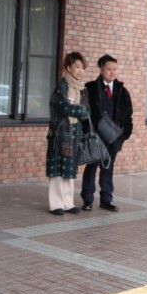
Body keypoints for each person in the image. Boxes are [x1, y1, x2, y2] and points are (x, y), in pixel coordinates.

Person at [81, 54, 133, 212]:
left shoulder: (122, 92)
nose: (112, 72)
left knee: (108, 169)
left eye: (115, 69)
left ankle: (106, 200)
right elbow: (84, 112)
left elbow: (128, 115)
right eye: (109, 69)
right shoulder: (89, 88)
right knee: (91, 168)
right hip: (94, 137)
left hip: (113, 138)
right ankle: (88, 200)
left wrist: (124, 135)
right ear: (101, 69)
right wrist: (87, 133)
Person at [46, 51, 90, 215]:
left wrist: (78, 110)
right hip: (60, 133)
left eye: (82, 67)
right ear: (68, 67)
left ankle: (68, 203)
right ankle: (56, 204)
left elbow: (87, 111)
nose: (80, 70)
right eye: (77, 67)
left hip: (74, 133)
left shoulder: (83, 89)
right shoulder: (62, 85)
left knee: (69, 168)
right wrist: (79, 110)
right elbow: (63, 108)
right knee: (58, 168)